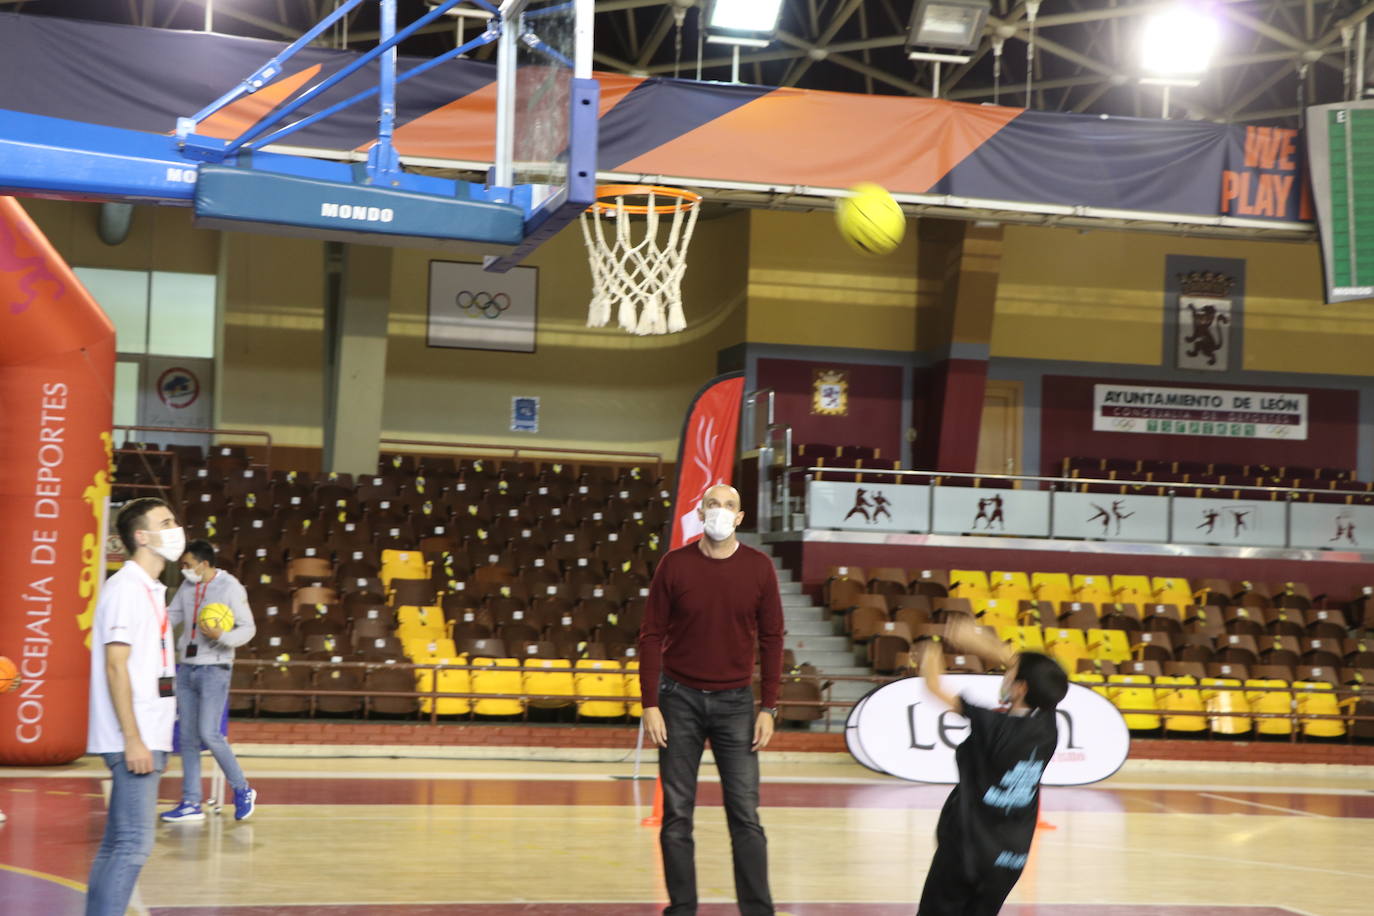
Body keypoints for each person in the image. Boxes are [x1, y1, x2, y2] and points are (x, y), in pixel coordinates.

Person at [638, 484, 786, 916]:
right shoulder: (674, 565)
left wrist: (769, 707)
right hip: (677, 701)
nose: (720, 511)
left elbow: (773, 638)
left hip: (737, 704)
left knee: (745, 813)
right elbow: (650, 635)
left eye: (729, 505)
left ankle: (758, 911)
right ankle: (681, 909)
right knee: (677, 816)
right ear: (700, 511)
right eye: (713, 504)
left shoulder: (759, 569)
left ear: (740, 518)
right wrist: (650, 703)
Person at [916, 618, 1069, 916]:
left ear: (1021, 687)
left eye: (1009, 673)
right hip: (1011, 857)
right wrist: (982, 644)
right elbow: (1030, 671)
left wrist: (932, 650)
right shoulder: (1049, 726)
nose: (1005, 674)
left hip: (967, 849)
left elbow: (934, 687)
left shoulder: (993, 726)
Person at [86, 497, 183, 916]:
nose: (176, 527)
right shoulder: (126, 589)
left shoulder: (151, 590)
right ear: (141, 536)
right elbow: (115, 666)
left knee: (116, 845)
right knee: (133, 846)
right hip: (135, 739)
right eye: (166, 522)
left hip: (146, 734)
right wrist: (133, 740)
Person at [160, 539, 258, 823]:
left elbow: (248, 627)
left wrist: (222, 638)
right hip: (187, 668)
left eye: (188, 564)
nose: (184, 570)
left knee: (209, 733)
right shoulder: (188, 588)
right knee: (188, 738)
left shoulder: (230, 587)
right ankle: (191, 802)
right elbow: (171, 616)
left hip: (215, 669)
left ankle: (242, 789)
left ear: (204, 564)